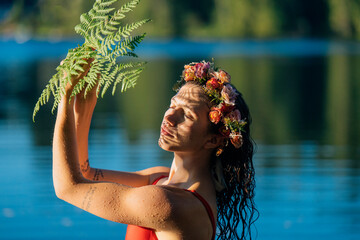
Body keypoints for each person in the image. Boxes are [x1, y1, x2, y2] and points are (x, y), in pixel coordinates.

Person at [53, 60, 258, 240]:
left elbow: (67, 188)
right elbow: (85, 173)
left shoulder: (169, 203)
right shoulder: (161, 178)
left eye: (187, 115)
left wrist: (65, 95)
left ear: (213, 140)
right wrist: (85, 104)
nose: (169, 117)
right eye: (173, 104)